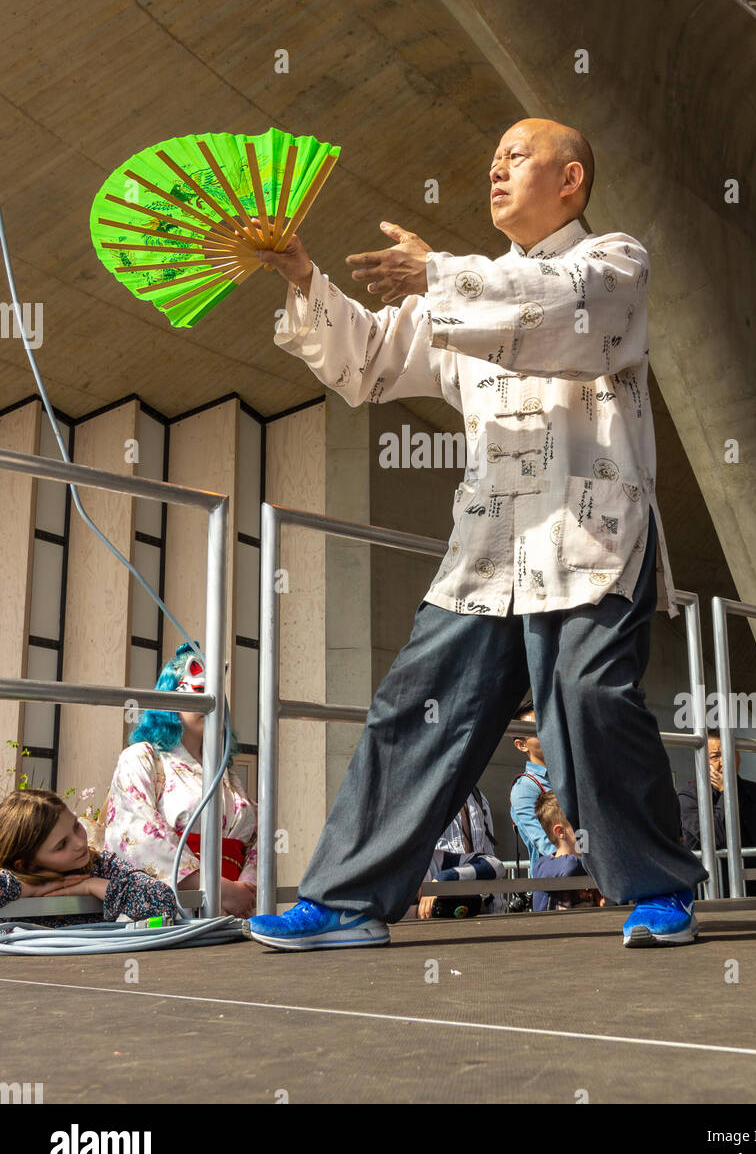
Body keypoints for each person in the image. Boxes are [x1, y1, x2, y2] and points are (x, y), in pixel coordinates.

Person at [244, 116, 707, 952]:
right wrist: (304, 274)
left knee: (588, 699)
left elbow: (563, 315)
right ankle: (347, 901)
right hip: (490, 550)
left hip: (591, 536)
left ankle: (657, 886)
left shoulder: (614, 261)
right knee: (415, 710)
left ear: (570, 180)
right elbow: (371, 363)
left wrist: (438, 275)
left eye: (516, 158)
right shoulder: (467, 290)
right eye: (491, 160)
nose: (496, 171)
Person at [103, 644, 258, 918]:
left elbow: (257, 837)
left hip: (234, 911)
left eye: (216, 696)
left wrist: (246, 890)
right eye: (200, 692)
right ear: (171, 699)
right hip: (176, 908)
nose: (211, 706)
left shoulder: (228, 776)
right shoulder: (142, 758)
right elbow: (135, 832)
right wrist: (214, 889)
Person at [0, 789, 178, 928]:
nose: (79, 843)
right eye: (61, 845)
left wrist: (92, 885)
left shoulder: (101, 866)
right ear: (26, 864)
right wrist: (31, 886)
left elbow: (163, 901)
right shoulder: (10, 880)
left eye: (76, 826)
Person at [678, 730, 756, 896]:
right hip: (717, 892)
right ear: (700, 761)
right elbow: (716, 838)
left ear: (738, 757)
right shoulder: (689, 798)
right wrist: (726, 793)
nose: (724, 761)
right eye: (715, 756)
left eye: (729, 753)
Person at [414, 786, 506, 919]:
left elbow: (488, 854)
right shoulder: (418, 794)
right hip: (431, 912)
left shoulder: (477, 797)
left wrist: (497, 912)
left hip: (475, 909)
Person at [531, 790, 604, 911]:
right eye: (582, 823)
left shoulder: (583, 865)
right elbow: (570, 866)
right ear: (560, 832)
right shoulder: (544, 865)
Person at [508, 695, 553, 878]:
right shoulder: (525, 787)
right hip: (557, 888)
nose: (547, 732)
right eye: (536, 729)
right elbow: (547, 846)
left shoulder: (573, 774)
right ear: (521, 745)